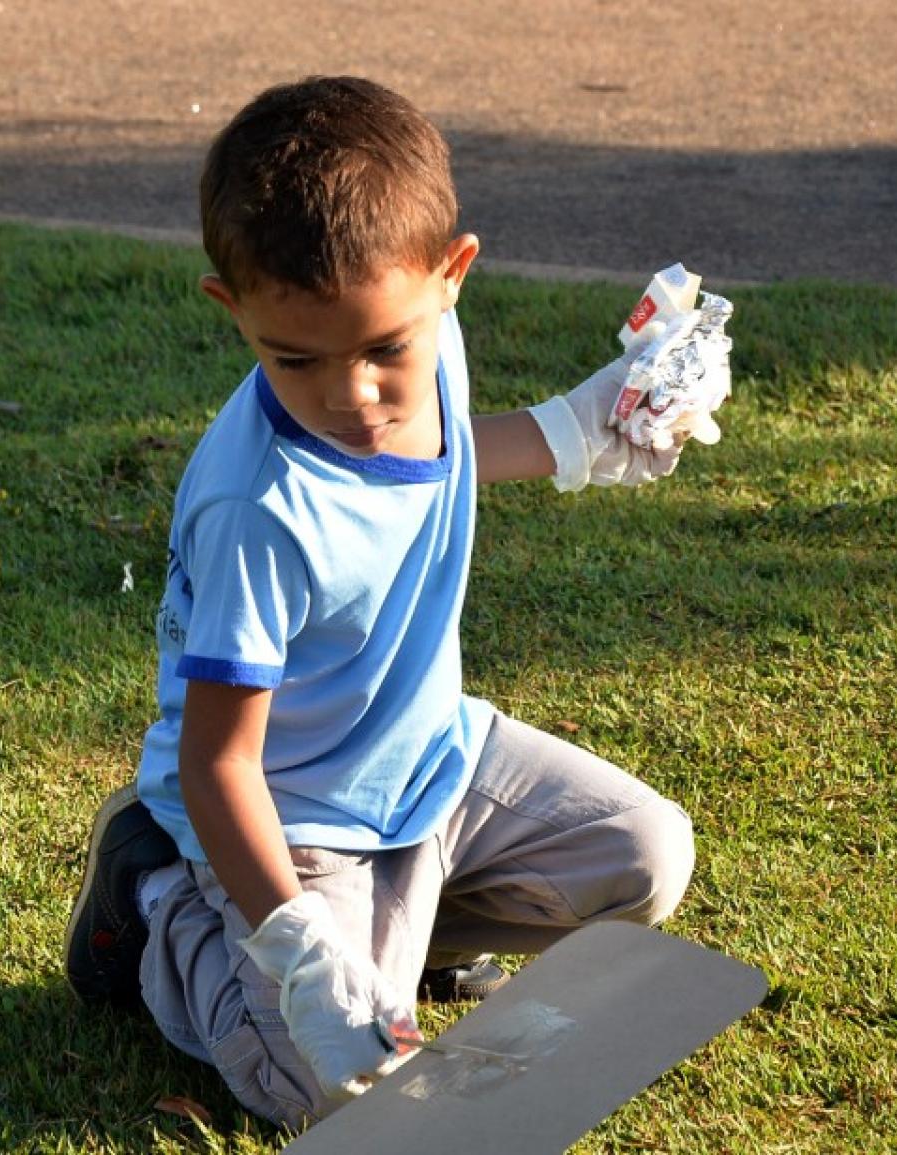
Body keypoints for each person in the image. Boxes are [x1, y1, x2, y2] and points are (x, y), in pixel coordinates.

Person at [63, 75, 703, 1131]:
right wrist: (301, 954)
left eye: (382, 351)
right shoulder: (257, 509)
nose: (351, 396)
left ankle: (404, 938)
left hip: (434, 762)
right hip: (287, 818)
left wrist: (576, 430)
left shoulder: (431, 342)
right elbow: (219, 765)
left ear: (452, 277)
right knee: (325, 1090)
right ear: (233, 311)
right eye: (296, 359)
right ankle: (158, 907)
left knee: (646, 861)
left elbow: (423, 458)